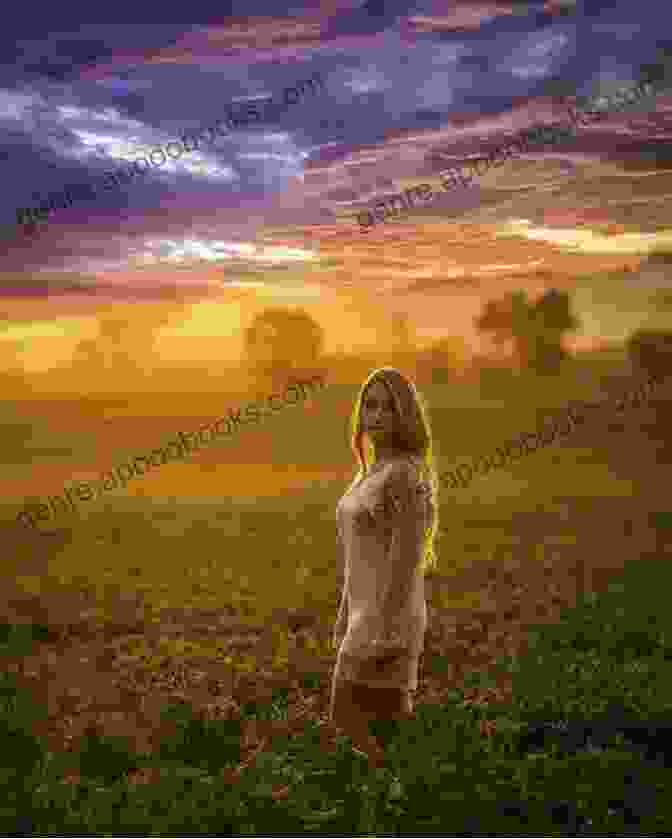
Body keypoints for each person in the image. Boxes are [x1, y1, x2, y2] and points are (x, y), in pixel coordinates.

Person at [329, 367, 439, 767]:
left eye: (387, 408)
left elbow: (406, 560)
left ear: (404, 415)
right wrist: (345, 615)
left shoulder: (405, 475)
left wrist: (380, 626)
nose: (375, 415)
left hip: (388, 618)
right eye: (369, 405)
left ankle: (396, 797)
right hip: (364, 617)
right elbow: (358, 557)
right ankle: (396, 800)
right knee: (381, 729)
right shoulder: (369, 474)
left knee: (348, 721)